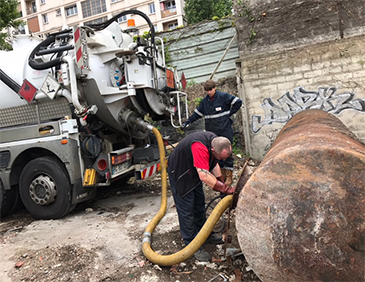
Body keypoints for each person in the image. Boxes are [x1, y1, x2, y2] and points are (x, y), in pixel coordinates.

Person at [168, 131, 235, 261]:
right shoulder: (199, 146)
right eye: (222, 158)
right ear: (212, 150)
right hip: (181, 173)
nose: (224, 161)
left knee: (199, 205)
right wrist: (224, 188)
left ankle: (205, 235)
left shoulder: (214, 140)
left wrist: (220, 181)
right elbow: (204, 176)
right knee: (187, 210)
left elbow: (214, 163)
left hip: (194, 172)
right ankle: (192, 244)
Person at [182, 79, 242, 186]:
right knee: (215, 154)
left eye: (211, 90)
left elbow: (238, 102)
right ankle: (221, 176)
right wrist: (188, 122)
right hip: (213, 133)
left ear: (215, 88)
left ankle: (229, 176)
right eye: (207, 91)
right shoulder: (205, 102)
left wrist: (230, 113)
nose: (209, 92)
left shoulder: (223, 97)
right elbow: (197, 114)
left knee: (226, 153)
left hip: (225, 130)